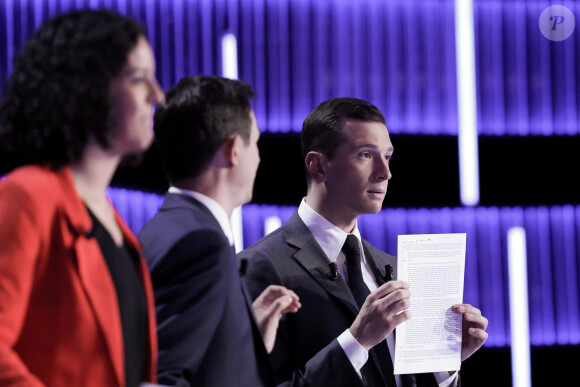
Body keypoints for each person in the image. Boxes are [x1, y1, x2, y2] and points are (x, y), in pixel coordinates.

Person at [239, 97, 489, 387]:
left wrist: (443, 369)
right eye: (365, 155)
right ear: (318, 166)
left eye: (388, 156)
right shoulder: (259, 266)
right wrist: (356, 342)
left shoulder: (392, 268)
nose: (386, 172)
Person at [0, 9, 164, 387]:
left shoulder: (116, 222)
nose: (157, 96)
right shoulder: (27, 195)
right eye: (138, 79)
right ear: (87, 89)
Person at [138, 75, 301, 387]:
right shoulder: (201, 244)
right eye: (255, 142)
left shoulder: (165, 230)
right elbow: (162, 378)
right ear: (234, 149)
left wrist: (243, 339)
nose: (260, 157)